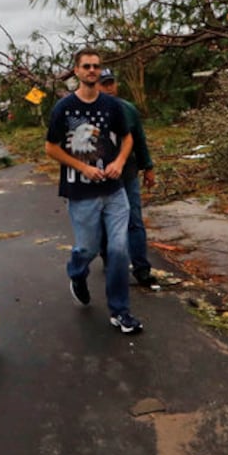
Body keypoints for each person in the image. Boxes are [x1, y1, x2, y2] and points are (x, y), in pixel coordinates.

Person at [45, 49, 144, 335]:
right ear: (76, 71)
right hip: (81, 192)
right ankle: (77, 273)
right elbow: (51, 148)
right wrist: (83, 167)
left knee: (118, 249)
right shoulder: (63, 109)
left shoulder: (111, 106)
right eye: (86, 66)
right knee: (87, 248)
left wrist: (120, 162)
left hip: (114, 190)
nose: (92, 70)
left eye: (96, 66)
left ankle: (120, 312)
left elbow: (127, 138)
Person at [99, 69, 157, 288]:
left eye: (111, 83)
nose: (109, 87)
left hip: (128, 173)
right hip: (101, 176)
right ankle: (107, 256)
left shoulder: (128, 110)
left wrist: (148, 168)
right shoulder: (90, 112)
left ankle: (141, 268)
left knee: (134, 220)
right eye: (104, 84)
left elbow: (139, 141)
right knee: (104, 220)